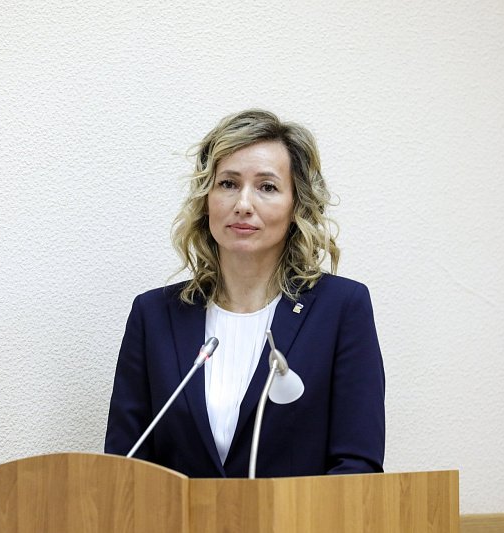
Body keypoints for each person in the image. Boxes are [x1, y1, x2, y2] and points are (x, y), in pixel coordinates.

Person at [104, 109, 384, 478]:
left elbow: (357, 466)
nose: (243, 205)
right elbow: (126, 469)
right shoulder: (153, 315)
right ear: (206, 199)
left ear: (296, 204)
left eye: (267, 187)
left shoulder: (341, 308)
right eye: (228, 184)